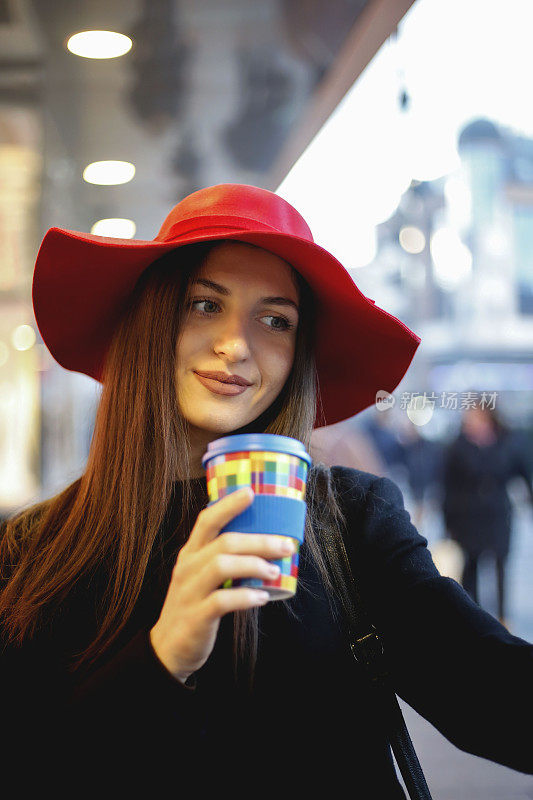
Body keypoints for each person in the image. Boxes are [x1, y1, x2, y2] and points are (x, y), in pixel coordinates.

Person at [1, 185, 532, 797]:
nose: (237, 345)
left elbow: (493, 694)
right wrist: (163, 657)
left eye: (275, 320)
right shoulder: (37, 548)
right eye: (204, 305)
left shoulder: (351, 522)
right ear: (153, 318)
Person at [441, 403, 533, 628]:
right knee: (470, 568)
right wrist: (448, 521)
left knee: (501, 565)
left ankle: (503, 617)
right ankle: (475, 616)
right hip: (467, 517)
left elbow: (523, 473)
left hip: (497, 514)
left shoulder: (507, 441)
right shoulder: (457, 445)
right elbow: (448, 486)